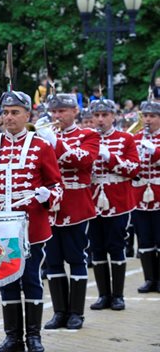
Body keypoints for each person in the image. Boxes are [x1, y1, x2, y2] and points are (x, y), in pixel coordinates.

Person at [0, 90, 63, 352]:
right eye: (5, 112)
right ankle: (12, 338)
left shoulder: (41, 146)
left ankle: (34, 337)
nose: (8, 117)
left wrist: (47, 195)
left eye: (15, 112)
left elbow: (56, 185)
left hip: (31, 226)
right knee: (5, 279)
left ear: (27, 115)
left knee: (31, 279)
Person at [36, 94, 100, 330]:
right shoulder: (42, 136)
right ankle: (59, 311)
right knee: (52, 261)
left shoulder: (88, 135)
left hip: (75, 204)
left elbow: (84, 161)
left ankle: (76, 313)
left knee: (75, 258)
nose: (57, 116)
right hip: (50, 206)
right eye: (54, 111)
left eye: (62, 111)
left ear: (75, 111)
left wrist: (56, 143)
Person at [89, 99, 140, 311]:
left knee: (116, 247)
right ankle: (103, 295)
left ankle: (118, 295)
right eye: (97, 115)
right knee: (97, 249)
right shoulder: (85, 138)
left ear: (113, 116)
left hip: (117, 200)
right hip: (92, 201)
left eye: (105, 115)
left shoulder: (126, 138)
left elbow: (133, 169)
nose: (100, 119)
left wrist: (110, 157)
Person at [132, 100, 160, 293]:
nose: (148, 120)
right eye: (145, 116)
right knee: (144, 240)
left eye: (152, 116)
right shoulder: (135, 138)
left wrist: (156, 152)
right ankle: (150, 279)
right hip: (140, 196)